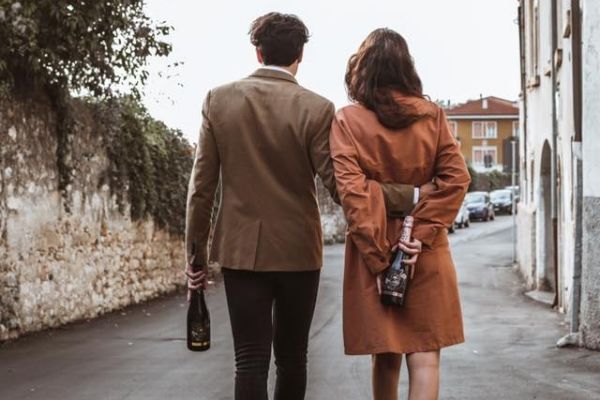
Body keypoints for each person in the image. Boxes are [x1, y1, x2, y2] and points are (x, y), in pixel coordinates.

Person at [184, 13, 432, 400]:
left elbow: (201, 189)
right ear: (301, 55)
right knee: (292, 358)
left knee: (248, 359)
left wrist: (196, 259)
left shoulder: (218, 100)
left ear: (258, 52)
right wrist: (411, 195)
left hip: (240, 251)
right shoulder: (316, 108)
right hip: (299, 253)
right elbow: (342, 187)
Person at [330, 28, 471, 400]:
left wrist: (379, 262)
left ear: (361, 70)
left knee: (386, 354)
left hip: (371, 247)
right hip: (425, 251)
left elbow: (353, 197)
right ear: (406, 69)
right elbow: (457, 180)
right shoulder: (433, 117)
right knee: (425, 356)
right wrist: (418, 238)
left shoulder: (347, 121)